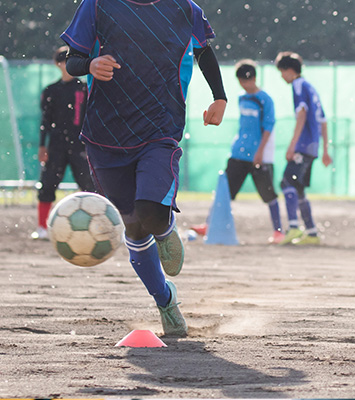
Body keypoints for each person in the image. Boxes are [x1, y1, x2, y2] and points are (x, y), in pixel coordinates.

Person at [61, 0, 227, 337]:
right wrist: (91, 64)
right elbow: (72, 59)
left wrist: (219, 97)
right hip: (104, 136)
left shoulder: (185, 8)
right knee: (134, 227)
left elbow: (204, 51)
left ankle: (165, 232)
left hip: (159, 130)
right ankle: (165, 300)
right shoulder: (96, 6)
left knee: (151, 212)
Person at [194, 60, 284, 244]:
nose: (245, 84)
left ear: (255, 78)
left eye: (248, 80)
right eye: (242, 81)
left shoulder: (264, 99)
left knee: (269, 194)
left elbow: (268, 127)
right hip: (239, 154)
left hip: (259, 156)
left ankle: (278, 231)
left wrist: (260, 152)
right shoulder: (242, 98)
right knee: (225, 190)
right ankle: (209, 225)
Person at [31, 46, 95, 241]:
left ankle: (97, 224)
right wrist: (43, 146)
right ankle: (42, 227)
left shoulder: (84, 88)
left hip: (80, 145)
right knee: (48, 184)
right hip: (56, 145)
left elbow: (90, 117)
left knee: (90, 186)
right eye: (64, 61)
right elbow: (45, 121)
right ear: (57, 64)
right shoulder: (51, 91)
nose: (67, 65)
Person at [275, 51, 332, 245]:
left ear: (290, 70)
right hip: (313, 147)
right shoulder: (311, 88)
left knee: (286, 183)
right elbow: (323, 121)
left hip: (302, 146)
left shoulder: (298, 85)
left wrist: (292, 146)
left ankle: (292, 228)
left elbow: (302, 114)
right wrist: (324, 150)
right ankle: (312, 233)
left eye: (282, 72)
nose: (281, 76)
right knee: (298, 188)